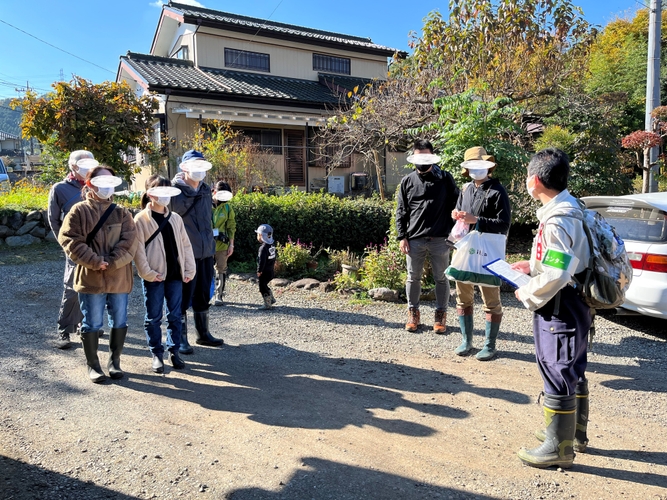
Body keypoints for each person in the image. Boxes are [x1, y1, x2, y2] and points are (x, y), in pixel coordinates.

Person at [511, 148, 593, 469]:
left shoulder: (556, 220)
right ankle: (575, 434)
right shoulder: (573, 208)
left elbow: (557, 273)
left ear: (534, 180)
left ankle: (559, 447)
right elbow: (564, 260)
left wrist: (528, 291)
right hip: (578, 301)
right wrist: (531, 266)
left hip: (561, 305)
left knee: (557, 366)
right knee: (573, 366)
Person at [58, 165, 137, 383]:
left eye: (110, 182)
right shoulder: (79, 211)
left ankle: (115, 362)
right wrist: (94, 261)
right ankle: (93, 365)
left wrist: (111, 262)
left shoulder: (122, 213)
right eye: (101, 182)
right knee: (92, 322)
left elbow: (130, 243)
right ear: (90, 183)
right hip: (90, 277)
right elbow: (69, 240)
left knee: (119, 319)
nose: (107, 187)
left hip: (119, 277)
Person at [451, 147, 511, 360]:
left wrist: (477, 220)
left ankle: (490, 344)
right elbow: (460, 214)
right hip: (466, 249)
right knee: (462, 296)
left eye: (480, 165)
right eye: (472, 166)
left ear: (488, 167)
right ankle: (466, 341)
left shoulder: (497, 191)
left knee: (491, 299)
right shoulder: (466, 189)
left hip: (488, 252)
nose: (477, 170)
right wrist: (456, 214)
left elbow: (504, 225)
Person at [133, 175, 196, 373]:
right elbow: (138, 251)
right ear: (150, 193)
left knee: (175, 316)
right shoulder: (140, 219)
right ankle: (156, 355)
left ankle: (174, 351)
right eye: (161, 190)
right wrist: (148, 273)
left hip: (175, 276)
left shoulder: (175, 218)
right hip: (155, 277)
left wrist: (189, 269)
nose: (166, 195)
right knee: (153, 317)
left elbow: (185, 245)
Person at [396, 139, 459, 333]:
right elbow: (401, 211)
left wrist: (455, 232)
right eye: (418, 155)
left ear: (432, 156)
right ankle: (413, 314)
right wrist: (401, 237)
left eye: (425, 155)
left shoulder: (445, 178)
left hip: (440, 238)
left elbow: (457, 205)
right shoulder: (407, 181)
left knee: (441, 278)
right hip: (414, 239)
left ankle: (441, 316)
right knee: (413, 278)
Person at [171, 150, 223, 353]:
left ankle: (203, 334)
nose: (201, 171)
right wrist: (191, 193)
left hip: (206, 251)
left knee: (203, 293)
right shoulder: (174, 190)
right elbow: (174, 215)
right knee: (182, 296)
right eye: (196, 166)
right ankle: (180, 338)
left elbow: (208, 220)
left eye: (203, 166)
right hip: (184, 254)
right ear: (184, 167)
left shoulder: (205, 189)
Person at [47, 150, 95, 349]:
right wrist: (65, 244)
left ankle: (89, 325)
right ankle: (64, 329)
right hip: (74, 245)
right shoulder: (60, 189)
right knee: (72, 287)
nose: (87, 167)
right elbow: (54, 220)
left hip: (97, 244)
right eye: (82, 164)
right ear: (73, 167)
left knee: (94, 286)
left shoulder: (97, 184)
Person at [211, 181, 236, 306]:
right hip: (206, 244)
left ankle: (218, 295)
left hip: (222, 244)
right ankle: (203, 296)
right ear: (214, 192)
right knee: (204, 269)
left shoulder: (227, 207)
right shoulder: (205, 204)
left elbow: (231, 226)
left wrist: (231, 244)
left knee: (221, 269)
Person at [256, 224, 277, 310]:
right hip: (271, 271)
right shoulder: (272, 245)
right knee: (265, 285)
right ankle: (271, 298)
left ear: (261, 236)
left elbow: (262, 261)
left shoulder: (263, 248)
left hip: (264, 272)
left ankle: (267, 304)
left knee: (262, 287)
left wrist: (259, 271)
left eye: (258, 234)